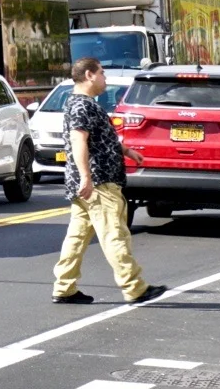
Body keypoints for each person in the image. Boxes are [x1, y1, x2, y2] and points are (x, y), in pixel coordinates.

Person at [51, 56, 166, 305]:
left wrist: (126, 151)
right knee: (115, 234)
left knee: (77, 237)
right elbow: (79, 141)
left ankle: (64, 286)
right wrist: (86, 178)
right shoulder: (82, 105)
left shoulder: (82, 103)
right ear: (90, 75)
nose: (105, 78)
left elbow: (99, 139)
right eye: (102, 73)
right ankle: (134, 287)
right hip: (98, 183)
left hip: (88, 184)